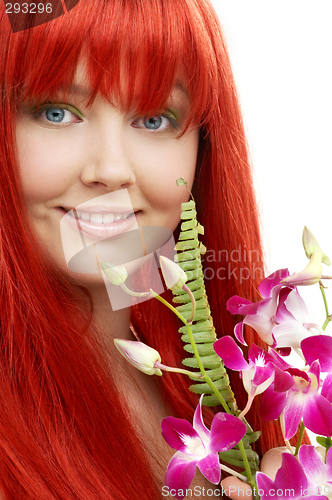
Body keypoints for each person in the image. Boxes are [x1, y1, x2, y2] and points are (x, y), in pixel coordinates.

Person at [0, 0, 287, 498]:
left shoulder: (235, 386)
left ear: (203, 146)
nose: (111, 170)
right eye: (56, 111)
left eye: (154, 119)